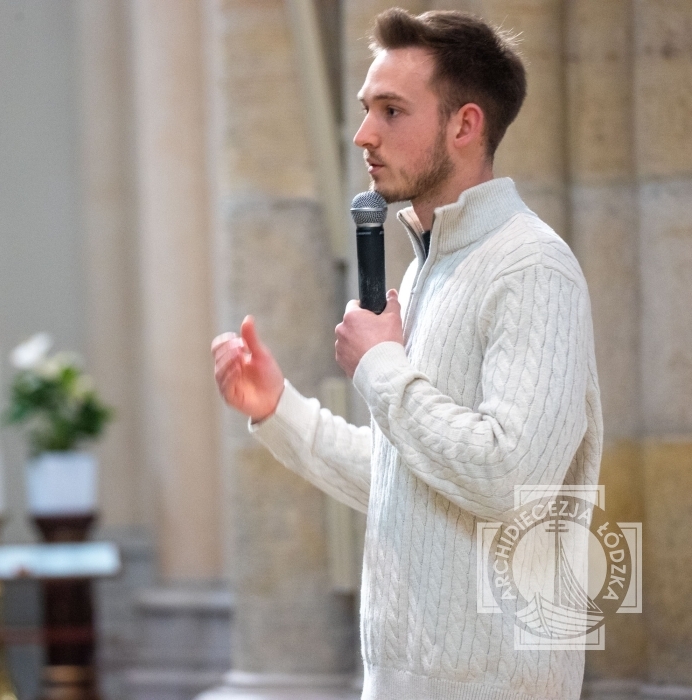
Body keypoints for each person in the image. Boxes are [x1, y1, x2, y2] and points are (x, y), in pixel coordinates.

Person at [212, 9, 600, 700]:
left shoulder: (533, 267)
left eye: (391, 111)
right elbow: (408, 476)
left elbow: (509, 479)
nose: (364, 134)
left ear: (465, 125)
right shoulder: (430, 270)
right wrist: (278, 410)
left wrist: (380, 367)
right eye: (368, 109)